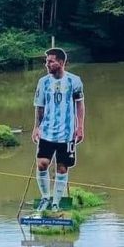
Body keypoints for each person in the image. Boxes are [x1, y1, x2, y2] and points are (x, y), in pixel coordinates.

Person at [32, 48, 86, 213]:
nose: (47, 64)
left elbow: (80, 105)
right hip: (47, 131)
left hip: (67, 133)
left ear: (61, 63)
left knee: (62, 168)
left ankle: (56, 202)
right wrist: (36, 127)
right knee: (42, 164)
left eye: (51, 61)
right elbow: (39, 107)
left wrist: (80, 127)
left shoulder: (74, 81)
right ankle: (45, 197)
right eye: (46, 61)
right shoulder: (43, 82)